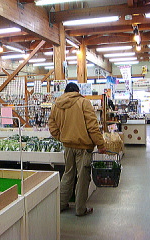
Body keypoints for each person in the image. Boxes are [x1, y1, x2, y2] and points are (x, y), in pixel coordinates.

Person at [48, 82, 106, 217]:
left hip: (67, 146)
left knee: (68, 174)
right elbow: (92, 126)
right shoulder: (83, 103)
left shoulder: (57, 105)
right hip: (83, 147)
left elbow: (52, 126)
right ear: (77, 91)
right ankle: (80, 209)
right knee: (83, 177)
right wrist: (101, 144)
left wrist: (61, 138)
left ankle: (61, 204)